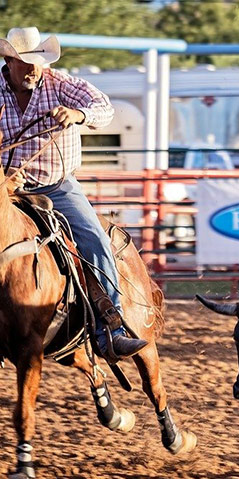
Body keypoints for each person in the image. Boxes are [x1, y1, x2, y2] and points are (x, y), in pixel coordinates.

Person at [0, 27, 146, 361]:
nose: (35, 68)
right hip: (7, 189)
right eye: (26, 61)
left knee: (94, 238)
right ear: (9, 62)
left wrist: (79, 114)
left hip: (57, 185)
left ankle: (111, 328)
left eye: (38, 60)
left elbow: (104, 107)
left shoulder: (60, 84)